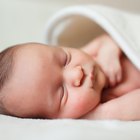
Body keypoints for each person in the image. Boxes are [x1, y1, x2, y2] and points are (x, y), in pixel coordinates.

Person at [0, 34, 140, 120]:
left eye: (65, 59)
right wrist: (101, 114)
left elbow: (117, 32)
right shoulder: (105, 106)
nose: (77, 73)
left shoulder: (90, 55)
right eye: (62, 93)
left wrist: (109, 49)